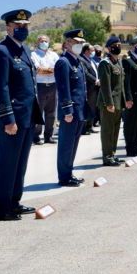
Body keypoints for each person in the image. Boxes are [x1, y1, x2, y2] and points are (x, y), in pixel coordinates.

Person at [0, 9, 41, 221]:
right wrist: (8, 119)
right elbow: (0, 89)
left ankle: (14, 201)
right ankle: (0, 207)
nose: (22, 29)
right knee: (7, 162)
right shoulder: (2, 52)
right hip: (12, 119)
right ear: (8, 27)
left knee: (20, 162)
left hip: (27, 117)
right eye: (18, 26)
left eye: (25, 26)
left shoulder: (25, 50)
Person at [54, 29, 88, 187]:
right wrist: (67, 110)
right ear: (67, 43)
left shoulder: (78, 61)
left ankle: (69, 173)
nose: (80, 45)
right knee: (66, 145)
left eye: (81, 43)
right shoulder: (63, 62)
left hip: (79, 110)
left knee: (73, 144)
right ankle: (64, 176)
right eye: (76, 42)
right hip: (70, 112)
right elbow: (63, 89)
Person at [97, 36, 126, 166]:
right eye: (115, 45)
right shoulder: (105, 63)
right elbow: (105, 85)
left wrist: (124, 101)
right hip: (108, 103)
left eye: (119, 44)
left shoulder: (118, 62)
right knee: (107, 130)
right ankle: (107, 156)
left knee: (115, 129)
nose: (118, 47)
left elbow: (121, 85)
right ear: (108, 48)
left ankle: (112, 154)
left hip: (118, 102)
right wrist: (109, 103)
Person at [31, 34, 59, 145]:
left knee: (51, 113)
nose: (44, 43)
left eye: (46, 41)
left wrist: (48, 70)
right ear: (37, 43)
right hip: (40, 86)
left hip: (53, 85)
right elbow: (38, 70)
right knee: (39, 112)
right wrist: (52, 70)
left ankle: (49, 136)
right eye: (42, 41)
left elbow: (59, 68)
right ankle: (36, 136)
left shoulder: (54, 55)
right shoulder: (34, 54)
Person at [79, 43, 99, 135]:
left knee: (92, 107)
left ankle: (90, 126)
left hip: (94, 88)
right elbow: (86, 74)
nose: (93, 52)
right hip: (88, 87)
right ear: (86, 51)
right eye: (92, 50)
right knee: (87, 107)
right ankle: (84, 128)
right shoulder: (82, 60)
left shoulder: (91, 60)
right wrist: (95, 80)